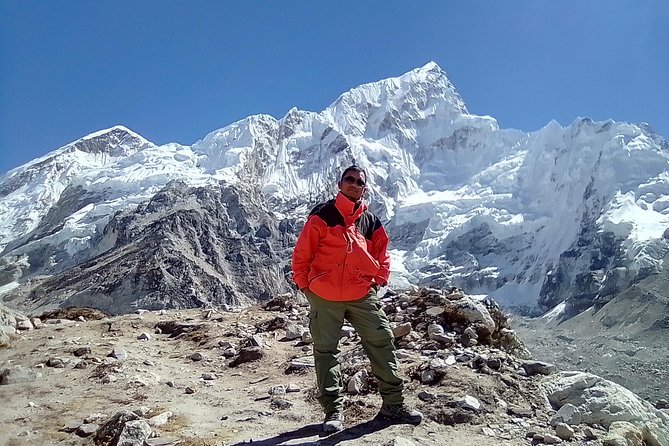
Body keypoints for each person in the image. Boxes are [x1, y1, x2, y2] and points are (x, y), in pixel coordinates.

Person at [291, 165, 423, 433]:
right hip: (324, 295)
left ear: (364, 188)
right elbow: (302, 252)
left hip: (361, 293)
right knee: (326, 351)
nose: (353, 184)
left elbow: (382, 252)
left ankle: (393, 406)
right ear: (339, 184)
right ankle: (333, 411)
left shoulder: (370, 221)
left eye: (358, 181)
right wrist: (306, 286)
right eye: (348, 179)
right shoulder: (321, 215)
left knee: (382, 341)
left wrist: (379, 279)